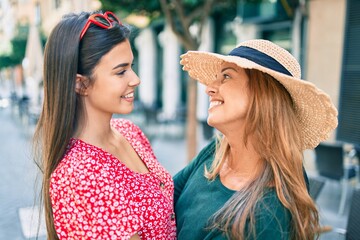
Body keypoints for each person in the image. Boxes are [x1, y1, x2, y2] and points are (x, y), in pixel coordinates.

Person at [33, 11, 176, 239]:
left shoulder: (129, 131)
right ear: (80, 84)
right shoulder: (79, 176)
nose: (135, 79)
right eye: (121, 71)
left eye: (132, 66)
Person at [174, 39, 338, 239]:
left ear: (262, 96)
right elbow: (162, 197)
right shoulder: (216, 151)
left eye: (226, 76)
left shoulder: (267, 217)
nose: (209, 88)